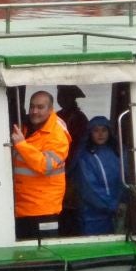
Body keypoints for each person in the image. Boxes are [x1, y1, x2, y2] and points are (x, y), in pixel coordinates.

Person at [11, 90, 72, 240]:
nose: (34, 111)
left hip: (43, 209)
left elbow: (46, 165)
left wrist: (21, 145)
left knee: (45, 254)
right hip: (22, 207)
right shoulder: (26, 127)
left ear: (51, 109)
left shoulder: (58, 136)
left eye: (40, 107)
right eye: (32, 107)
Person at [76, 116, 125, 234]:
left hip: (120, 212)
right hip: (93, 217)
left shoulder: (119, 152)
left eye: (104, 130)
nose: (100, 134)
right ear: (90, 133)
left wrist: (124, 202)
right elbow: (89, 188)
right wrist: (112, 205)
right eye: (96, 130)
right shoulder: (84, 157)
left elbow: (126, 179)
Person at [55, 85, 88, 234]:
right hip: (59, 167)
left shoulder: (79, 119)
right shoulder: (56, 116)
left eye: (64, 95)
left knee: (71, 208)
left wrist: (69, 169)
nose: (60, 98)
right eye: (59, 94)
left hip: (73, 169)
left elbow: (80, 147)